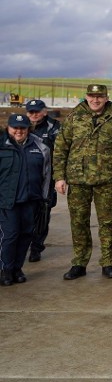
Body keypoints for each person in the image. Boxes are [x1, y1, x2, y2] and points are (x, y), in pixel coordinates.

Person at [53, 84, 112, 280]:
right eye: (92, 96)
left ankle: (108, 263)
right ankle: (79, 263)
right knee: (79, 223)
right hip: (78, 180)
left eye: (100, 96)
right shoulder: (74, 117)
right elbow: (61, 148)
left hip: (106, 180)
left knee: (108, 223)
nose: (95, 100)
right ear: (86, 96)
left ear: (106, 97)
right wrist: (59, 177)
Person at [0, 115, 51, 286]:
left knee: (26, 235)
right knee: (9, 236)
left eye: (22, 128)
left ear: (28, 128)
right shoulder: (1, 145)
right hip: (7, 202)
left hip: (31, 200)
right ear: (8, 127)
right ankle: (5, 269)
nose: (18, 131)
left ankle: (17, 268)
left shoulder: (41, 147)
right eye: (15, 127)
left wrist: (43, 199)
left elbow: (46, 175)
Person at [24, 99, 60, 263]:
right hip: (24, 178)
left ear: (45, 111)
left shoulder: (54, 128)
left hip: (46, 179)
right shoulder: (21, 126)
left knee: (42, 214)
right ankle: (21, 246)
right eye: (31, 111)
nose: (34, 114)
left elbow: (60, 153)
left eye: (37, 111)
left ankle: (36, 248)